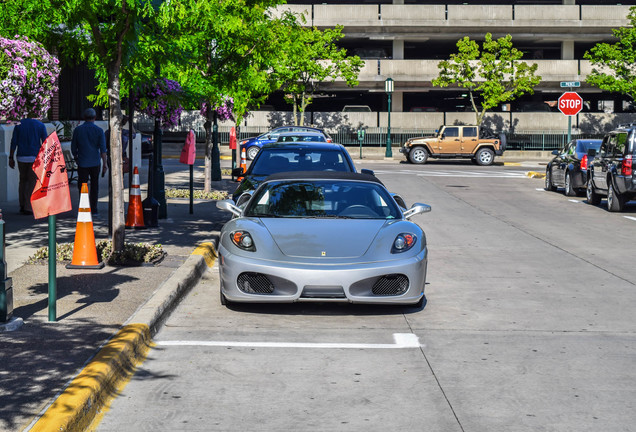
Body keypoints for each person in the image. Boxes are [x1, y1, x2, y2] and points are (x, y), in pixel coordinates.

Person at [9, 116, 48, 215]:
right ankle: (28, 206)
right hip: (34, 156)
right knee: (32, 181)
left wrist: (11, 157)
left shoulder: (19, 125)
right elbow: (45, 142)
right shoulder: (40, 125)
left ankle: (22, 204)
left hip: (21, 156)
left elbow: (14, 142)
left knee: (22, 180)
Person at [71, 108, 107, 215]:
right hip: (95, 162)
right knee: (95, 186)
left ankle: (84, 206)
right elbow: (103, 149)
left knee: (82, 185)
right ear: (95, 118)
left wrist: (76, 158)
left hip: (82, 162)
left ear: (84, 118)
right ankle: (94, 208)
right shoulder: (99, 131)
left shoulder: (78, 130)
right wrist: (105, 164)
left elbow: (74, 147)